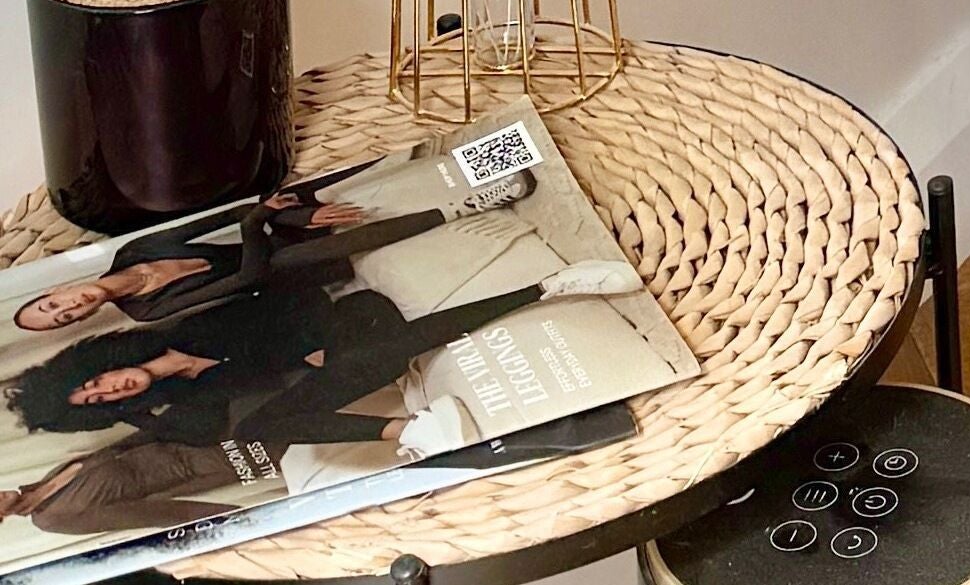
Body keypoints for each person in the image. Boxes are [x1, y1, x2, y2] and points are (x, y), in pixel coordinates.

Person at [3, 260, 633, 455]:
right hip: (342, 362)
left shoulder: (174, 325)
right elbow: (205, 436)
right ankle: (408, 428)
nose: (107, 389)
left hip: (343, 320)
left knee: (375, 351)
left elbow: (278, 295)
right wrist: (134, 413)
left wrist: (309, 343)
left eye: (93, 383)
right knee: (262, 426)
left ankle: (551, 285)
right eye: (99, 404)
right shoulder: (175, 406)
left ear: (95, 362)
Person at [10, 163, 482, 334]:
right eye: (64, 318)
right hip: (287, 272)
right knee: (285, 255)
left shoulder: (133, 252)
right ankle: (460, 209)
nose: (68, 307)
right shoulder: (147, 310)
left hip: (274, 231)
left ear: (60, 286)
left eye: (53, 303)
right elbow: (248, 278)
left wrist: (283, 216)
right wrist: (263, 221)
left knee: (300, 196)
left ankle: (402, 153)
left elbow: (229, 215)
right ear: (82, 320)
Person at [0, 438, 250, 536]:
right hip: (190, 468)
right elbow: (145, 515)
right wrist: (237, 519)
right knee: (274, 450)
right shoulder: (53, 519)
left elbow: (119, 450)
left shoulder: (44, 480)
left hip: (181, 440)